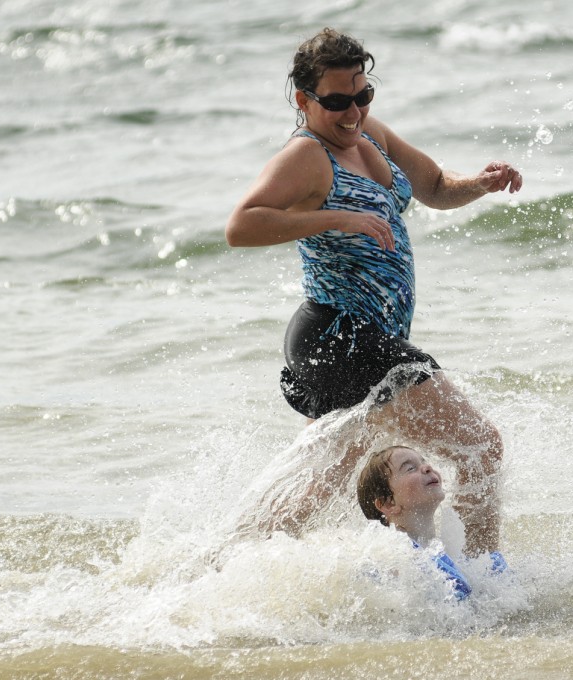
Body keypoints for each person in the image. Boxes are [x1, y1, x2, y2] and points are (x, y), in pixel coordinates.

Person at [226, 28, 522, 556]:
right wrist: (340, 217)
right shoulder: (306, 156)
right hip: (339, 335)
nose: (351, 113)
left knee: (316, 489)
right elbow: (241, 226)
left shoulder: (370, 135)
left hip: (361, 339)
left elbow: (432, 186)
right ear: (304, 100)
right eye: (337, 101)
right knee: (479, 447)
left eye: (362, 96)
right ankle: (487, 576)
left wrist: (478, 183)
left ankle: (224, 568)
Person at [356, 445, 506, 600]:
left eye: (424, 462)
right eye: (410, 468)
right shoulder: (395, 564)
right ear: (389, 504)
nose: (427, 467)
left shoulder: (454, 556)